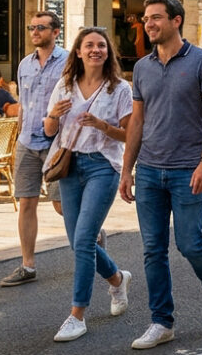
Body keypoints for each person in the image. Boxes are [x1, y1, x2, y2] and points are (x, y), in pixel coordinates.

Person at [119, 0, 202, 349]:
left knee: (189, 242)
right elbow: (137, 120)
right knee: (153, 250)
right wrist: (127, 169)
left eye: (156, 18)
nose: (149, 24)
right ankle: (161, 321)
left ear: (176, 21)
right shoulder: (142, 67)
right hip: (149, 170)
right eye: (147, 18)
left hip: (187, 169)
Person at [44, 27, 135, 342]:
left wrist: (102, 126)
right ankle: (117, 279)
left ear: (108, 52)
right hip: (70, 167)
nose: (96, 50)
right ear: (78, 52)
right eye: (89, 45)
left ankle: (76, 315)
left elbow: (130, 135)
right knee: (77, 241)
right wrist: (53, 116)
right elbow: (48, 129)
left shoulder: (120, 89)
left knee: (83, 240)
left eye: (101, 45)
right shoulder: (65, 85)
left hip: (102, 166)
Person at [0, 11, 70, 286]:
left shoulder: (68, 62)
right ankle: (28, 266)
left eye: (40, 28)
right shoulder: (25, 64)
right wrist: (18, 136)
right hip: (27, 143)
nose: (34, 32)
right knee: (26, 202)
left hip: (57, 143)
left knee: (61, 205)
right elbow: (23, 103)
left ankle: (92, 232)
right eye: (32, 27)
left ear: (55, 32)